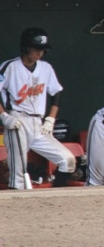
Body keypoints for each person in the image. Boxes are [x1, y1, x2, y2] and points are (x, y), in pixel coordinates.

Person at [0, 28, 75, 188]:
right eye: (36, 49)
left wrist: (51, 119)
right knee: (19, 175)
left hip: (39, 124)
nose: (39, 53)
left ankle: (57, 198)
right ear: (26, 47)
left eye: (42, 50)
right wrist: (4, 116)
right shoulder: (9, 67)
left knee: (67, 160)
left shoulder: (46, 68)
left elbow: (56, 92)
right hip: (17, 121)